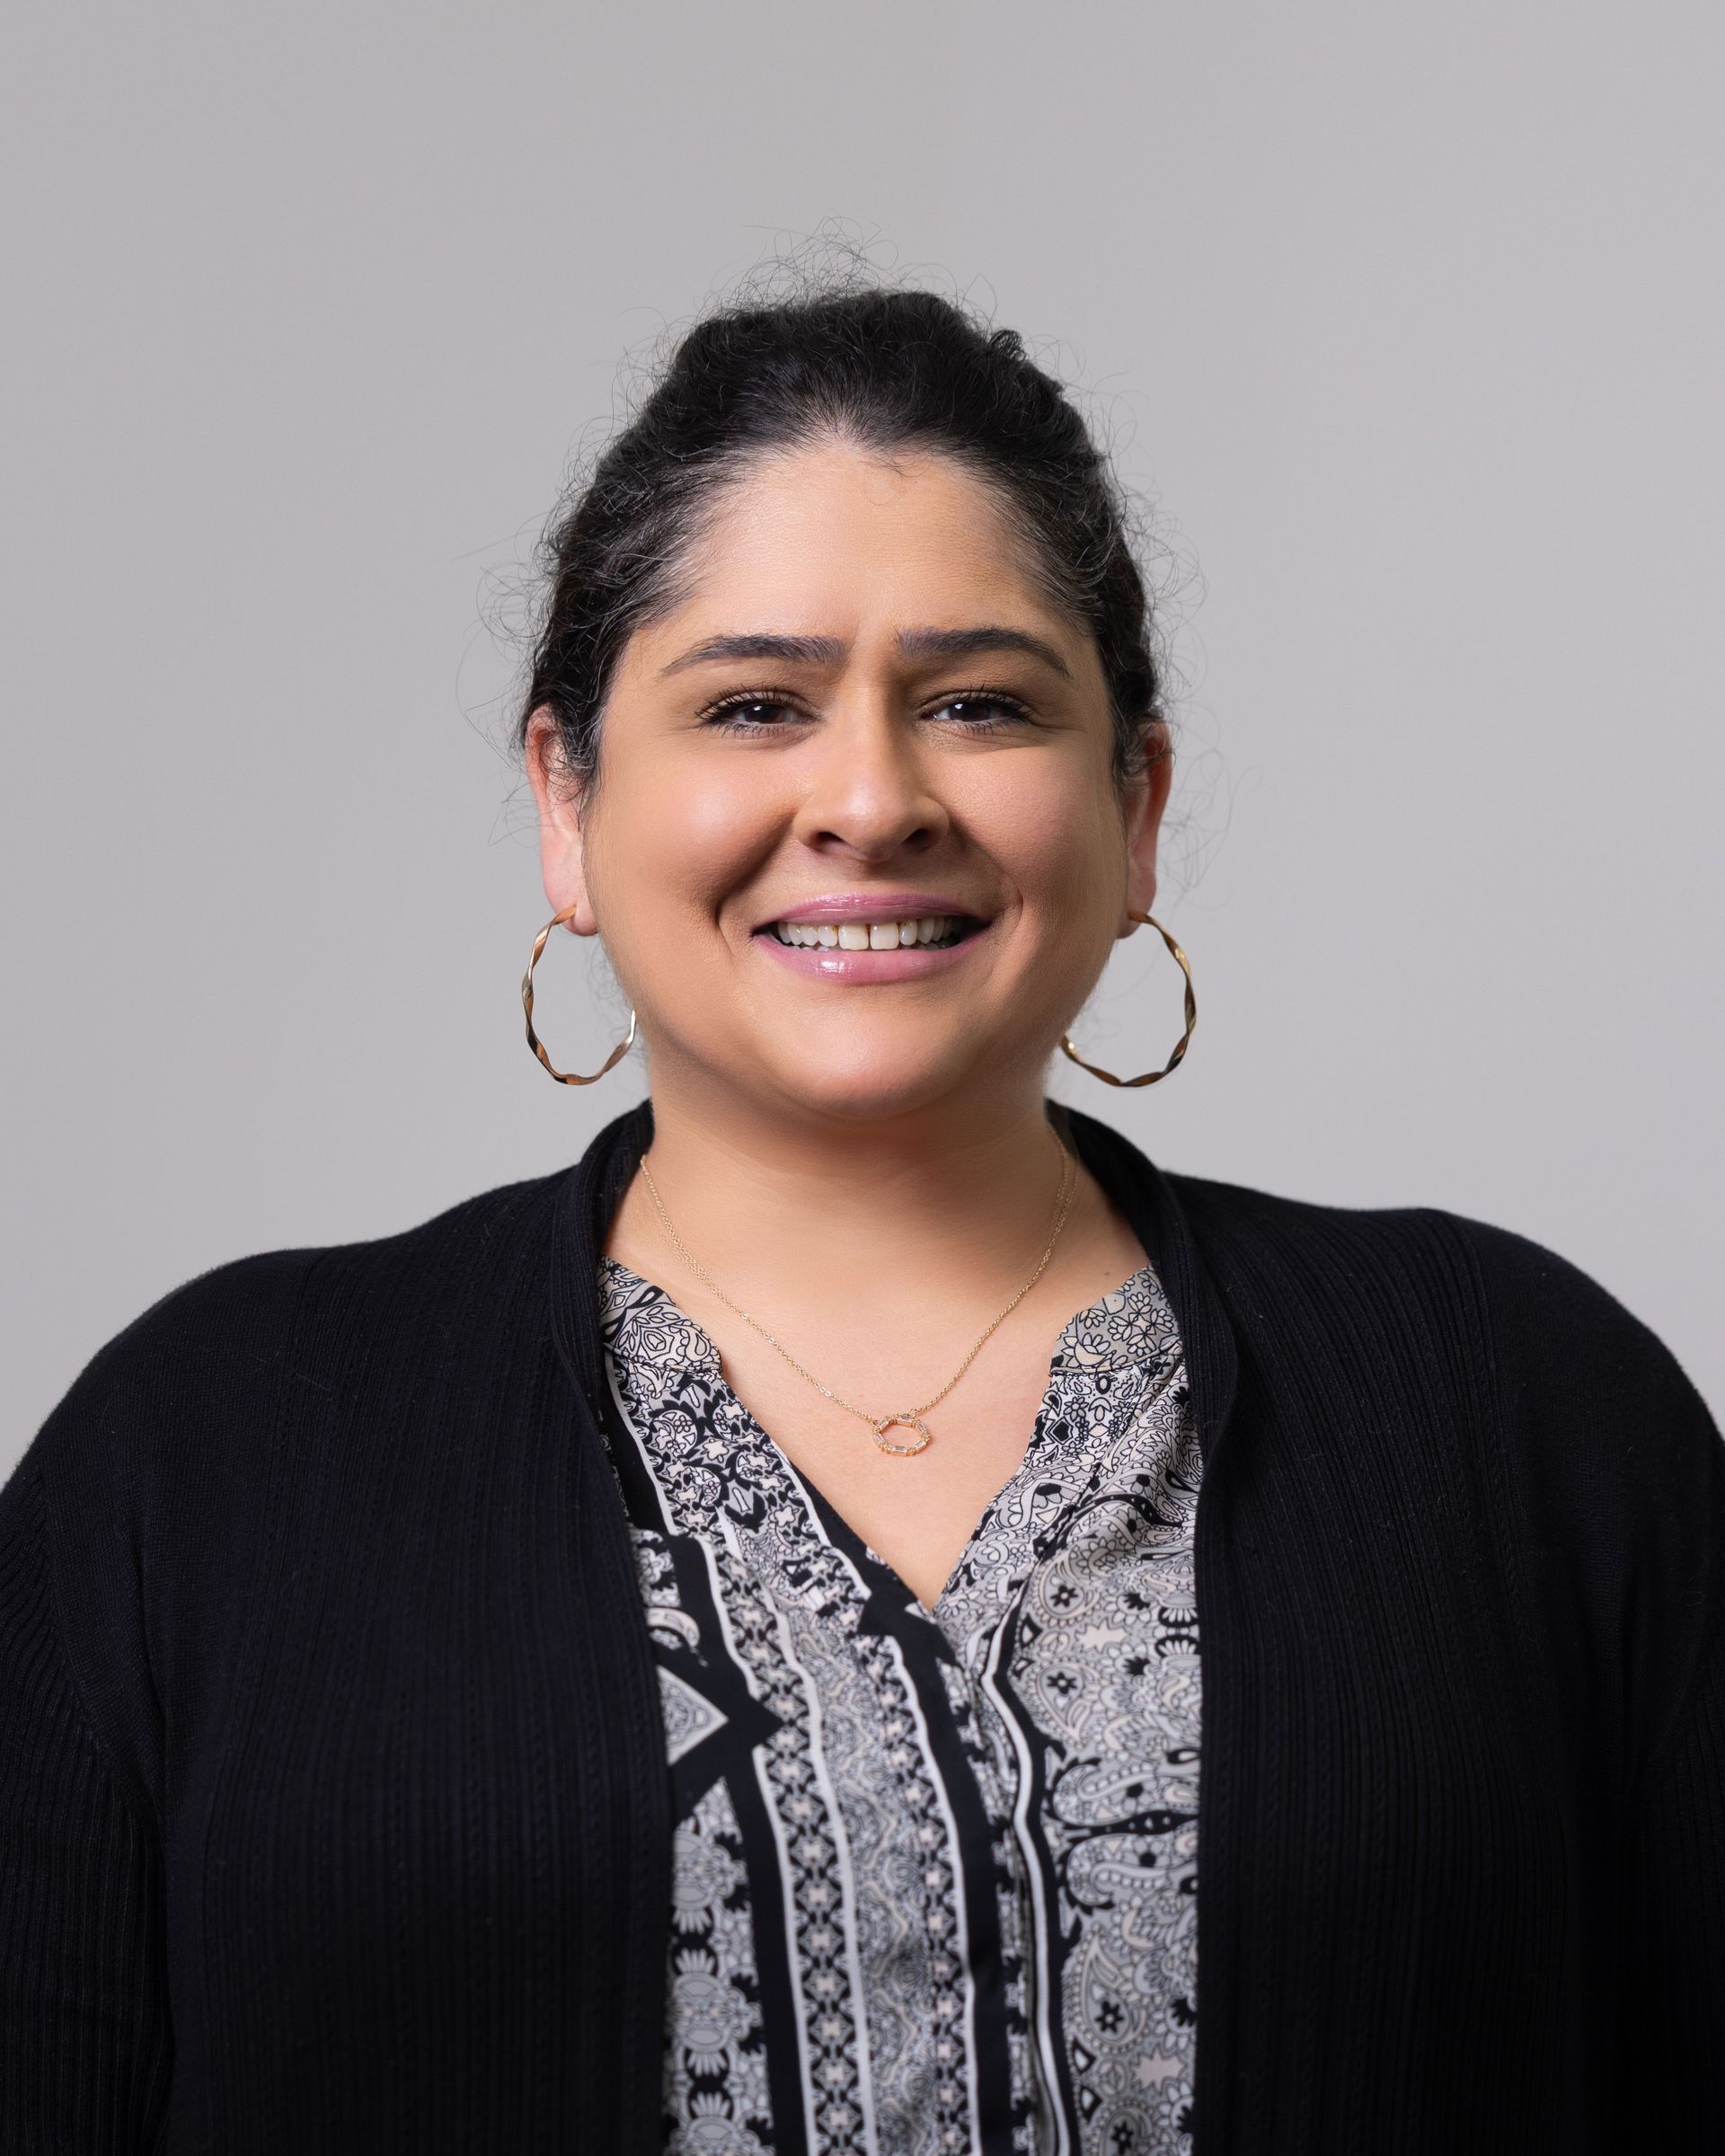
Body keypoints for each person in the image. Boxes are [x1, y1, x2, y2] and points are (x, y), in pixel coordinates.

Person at [2, 279, 1721, 2156]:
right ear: (568, 803)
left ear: (1134, 803)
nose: (873, 799)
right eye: (754, 703)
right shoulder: (207, 1459)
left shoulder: (1524, 1413)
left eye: (979, 703)